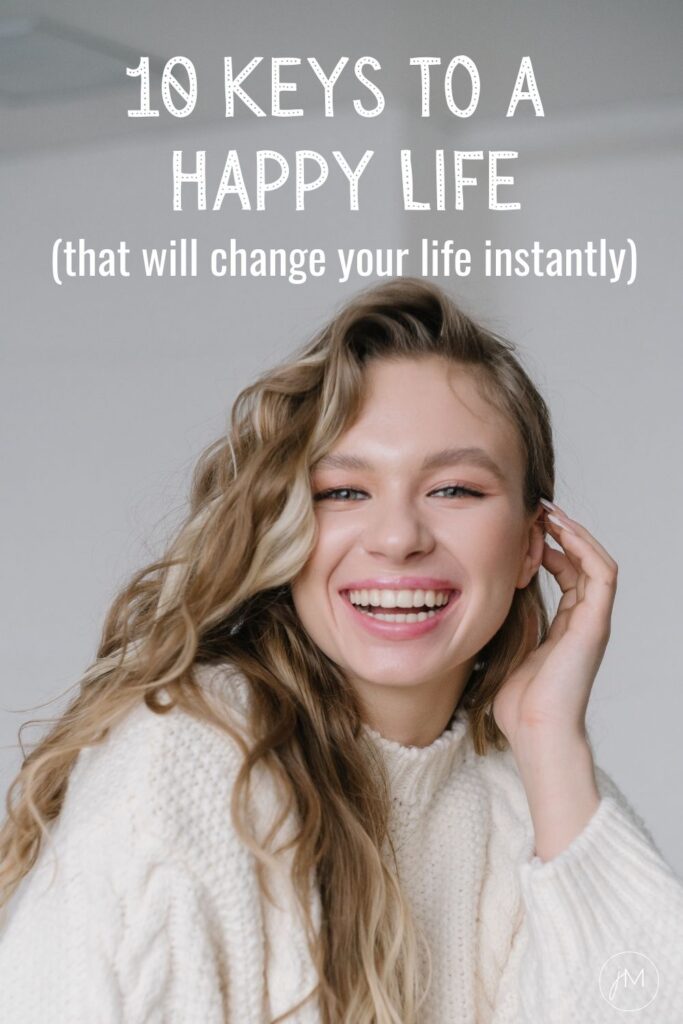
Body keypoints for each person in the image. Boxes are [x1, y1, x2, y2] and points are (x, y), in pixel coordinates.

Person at [0, 278, 681, 1023]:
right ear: (285, 526)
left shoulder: (541, 795)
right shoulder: (185, 761)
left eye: (453, 489)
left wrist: (551, 742)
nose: (397, 538)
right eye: (343, 492)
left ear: (530, 547)